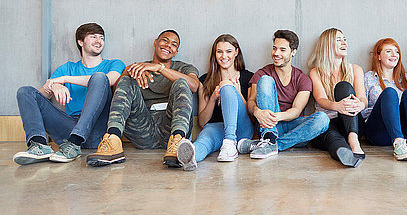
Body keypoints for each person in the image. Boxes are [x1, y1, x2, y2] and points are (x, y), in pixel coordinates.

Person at [13, 23, 125, 165]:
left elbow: (110, 80)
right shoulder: (67, 68)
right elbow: (39, 97)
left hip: (97, 130)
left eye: (101, 38)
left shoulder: (114, 64)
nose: (99, 41)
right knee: (25, 91)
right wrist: (53, 86)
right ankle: (39, 145)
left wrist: (64, 79)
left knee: (99, 77)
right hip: (69, 129)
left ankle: (75, 142)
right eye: (93, 37)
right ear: (80, 41)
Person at [86, 29, 199, 167]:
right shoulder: (139, 67)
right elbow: (118, 94)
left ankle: (178, 144)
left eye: (174, 44)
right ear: (155, 43)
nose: (168, 45)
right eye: (165, 40)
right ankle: (113, 141)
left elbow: (194, 86)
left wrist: (160, 68)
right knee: (126, 80)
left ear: (176, 52)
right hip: (143, 130)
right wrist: (126, 73)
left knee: (182, 82)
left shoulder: (184, 68)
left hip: (171, 129)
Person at [238, 29, 329, 159]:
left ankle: (269, 144)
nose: (276, 53)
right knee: (265, 80)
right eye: (274, 48)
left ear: (293, 52)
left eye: (282, 50)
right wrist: (258, 112)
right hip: (267, 126)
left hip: (294, 129)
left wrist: (276, 117)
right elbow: (251, 101)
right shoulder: (262, 73)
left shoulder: (303, 79)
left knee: (323, 119)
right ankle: (269, 136)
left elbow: (297, 110)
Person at [176, 34, 254, 170]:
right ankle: (191, 158)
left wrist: (237, 92)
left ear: (236, 52)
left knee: (227, 86)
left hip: (242, 130)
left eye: (228, 51)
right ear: (214, 54)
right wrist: (213, 97)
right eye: (219, 52)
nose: (224, 56)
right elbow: (202, 122)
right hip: (216, 128)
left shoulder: (249, 77)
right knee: (204, 140)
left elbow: (252, 116)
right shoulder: (205, 80)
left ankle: (230, 143)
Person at [362, 38, 407, 161]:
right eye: (388, 51)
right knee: (389, 93)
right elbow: (363, 111)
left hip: (405, 134)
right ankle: (398, 143)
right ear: (378, 56)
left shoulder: (406, 79)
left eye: (397, 52)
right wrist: (389, 106)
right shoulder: (368, 77)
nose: (394, 55)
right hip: (379, 132)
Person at [308, 28, 366, 167]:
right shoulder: (316, 72)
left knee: (343, 86)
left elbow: (363, 98)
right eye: (338, 40)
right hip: (327, 123)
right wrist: (336, 106)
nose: (344, 43)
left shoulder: (355, 69)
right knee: (332, 136)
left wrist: (361, 105)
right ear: (327, 45)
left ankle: (353, 140)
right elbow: (321, 99)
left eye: (344, 39)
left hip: (352, 124)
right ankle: (343, 152)